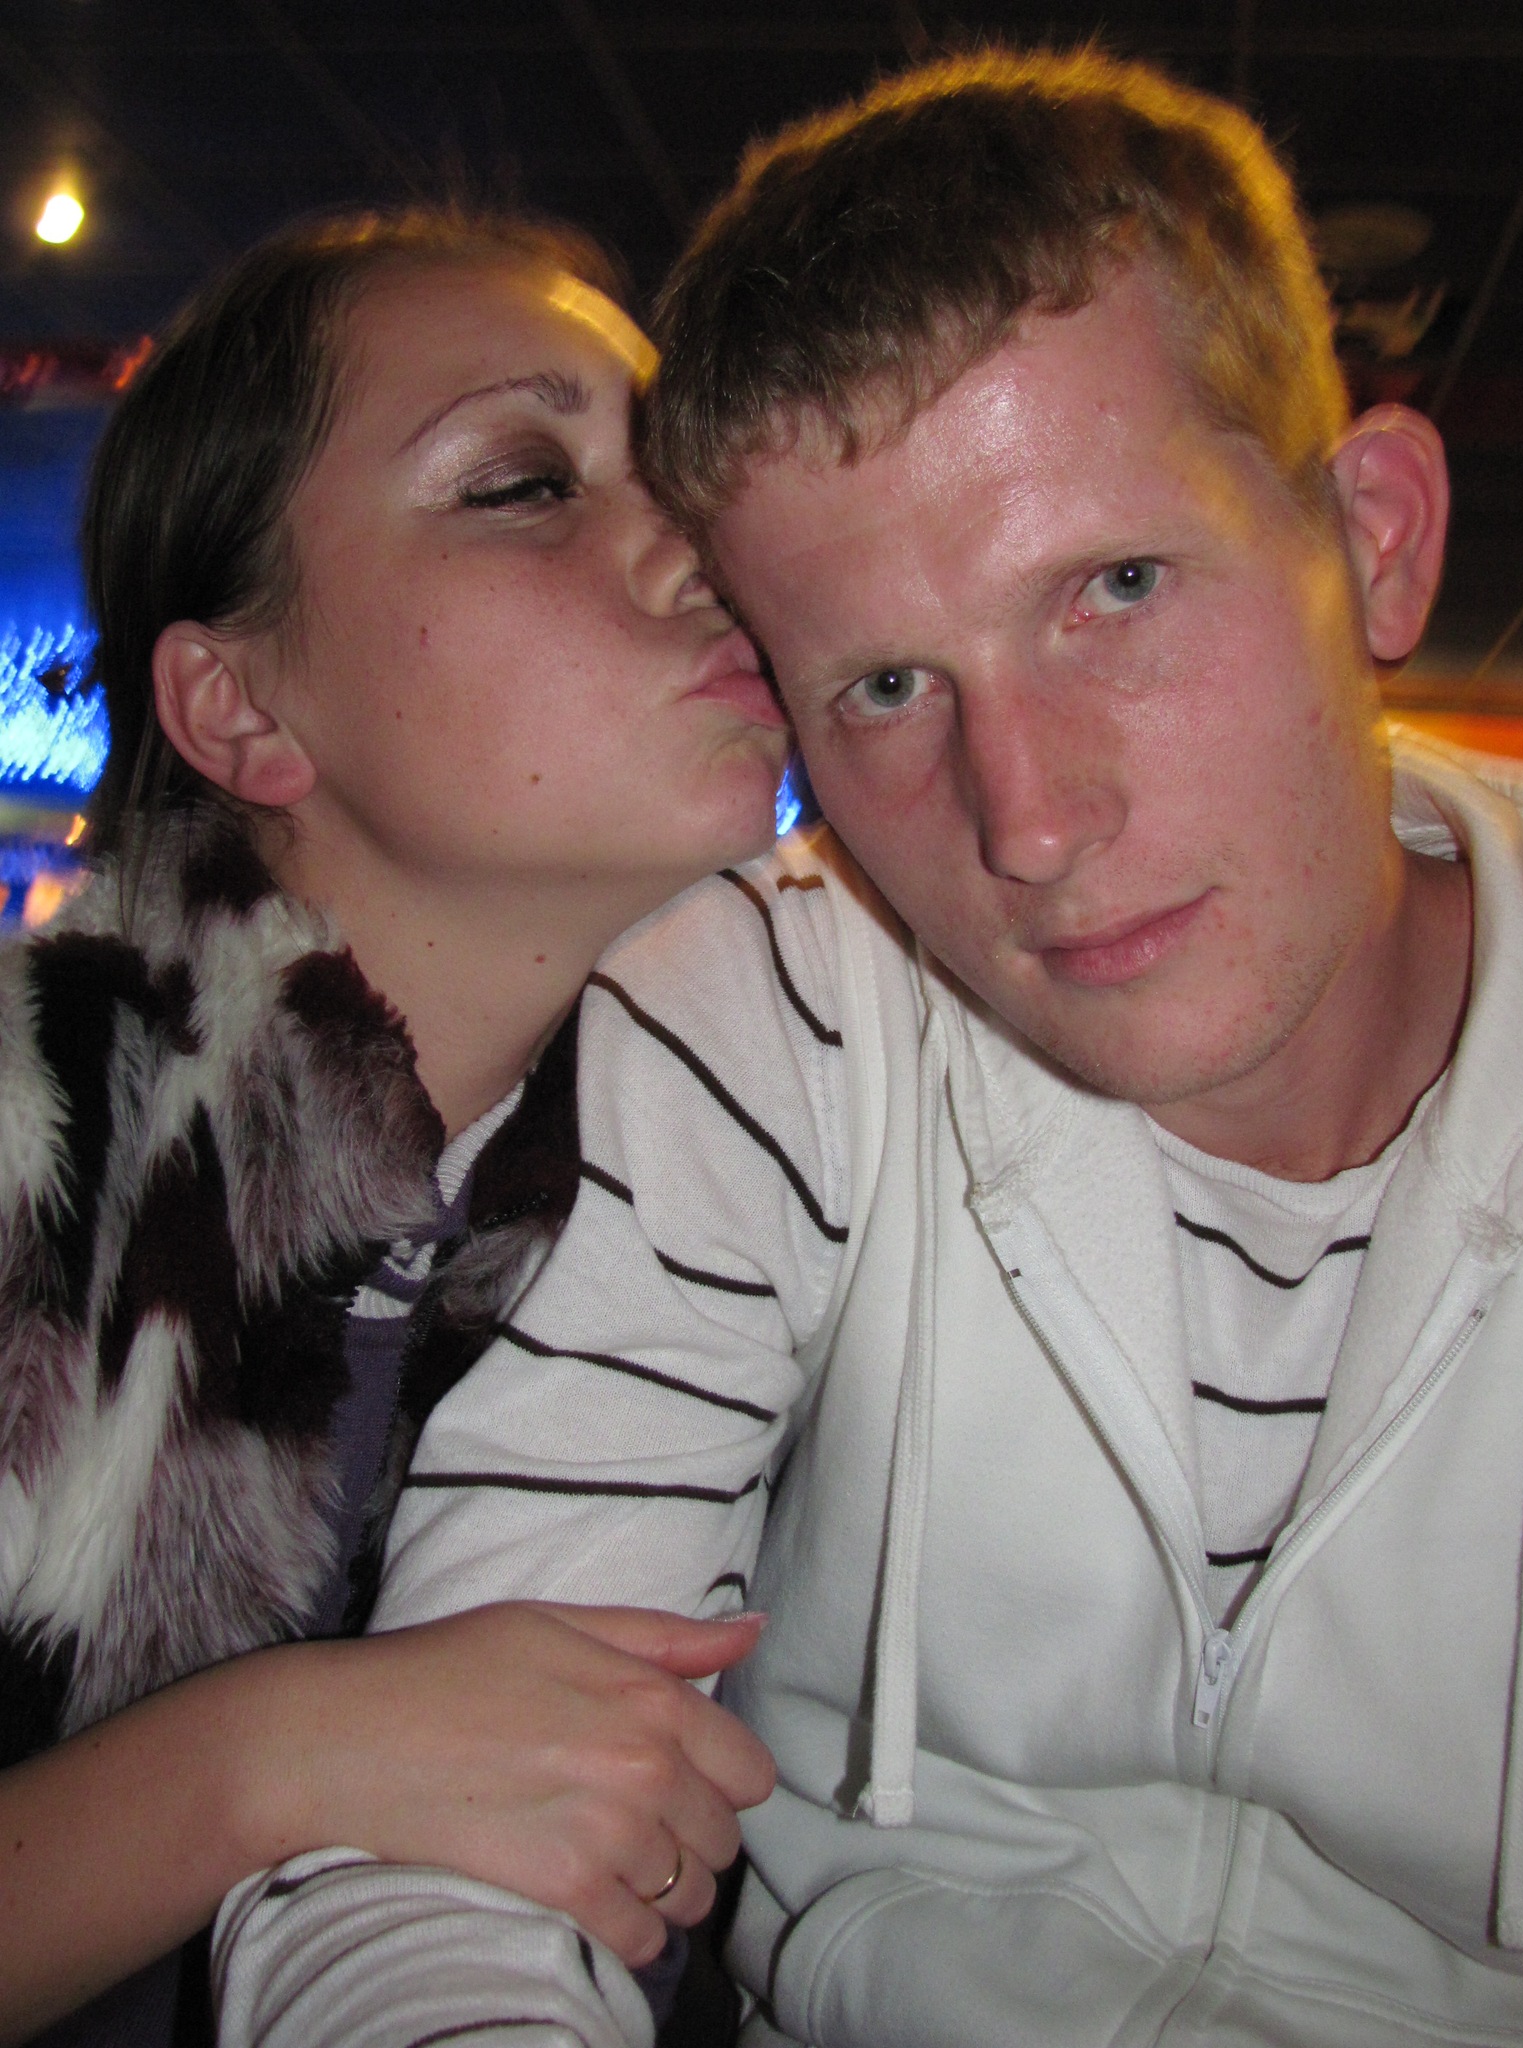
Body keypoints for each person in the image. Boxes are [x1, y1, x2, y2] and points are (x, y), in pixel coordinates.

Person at [218, 48, 1523, 2048]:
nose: (1029, 822)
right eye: (890, 686)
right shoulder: (771, 1010)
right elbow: (447, 1824)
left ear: (1376, 538)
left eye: (1115, 589)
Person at [0, 205, 786, 2046]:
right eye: (524, 484)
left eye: (684, 472)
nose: (705, 543)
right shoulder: (40, 1149)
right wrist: (273, 1760)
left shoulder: (778, 1182)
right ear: (241, 706)